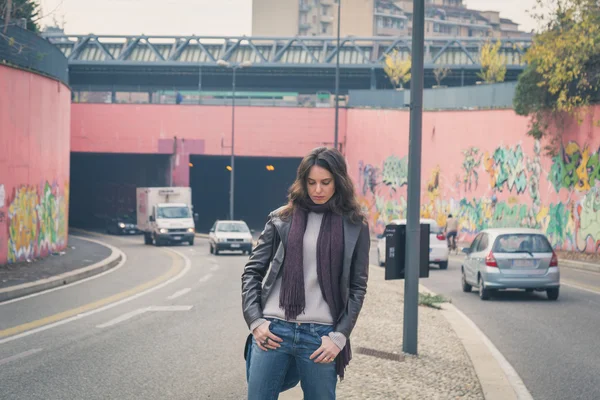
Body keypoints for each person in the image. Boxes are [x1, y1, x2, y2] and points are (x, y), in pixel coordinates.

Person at [241, 147, 370, 400]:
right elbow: (252, 272)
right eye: (311, 182)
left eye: (325, 182)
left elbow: (357, 287)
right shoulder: (281, 218)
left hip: (320, 336)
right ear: (303, 182)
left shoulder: (354, 225)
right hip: (275, 330)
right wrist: (256, 321)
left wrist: (339, 336)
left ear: (339, 182)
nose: (317, 190)